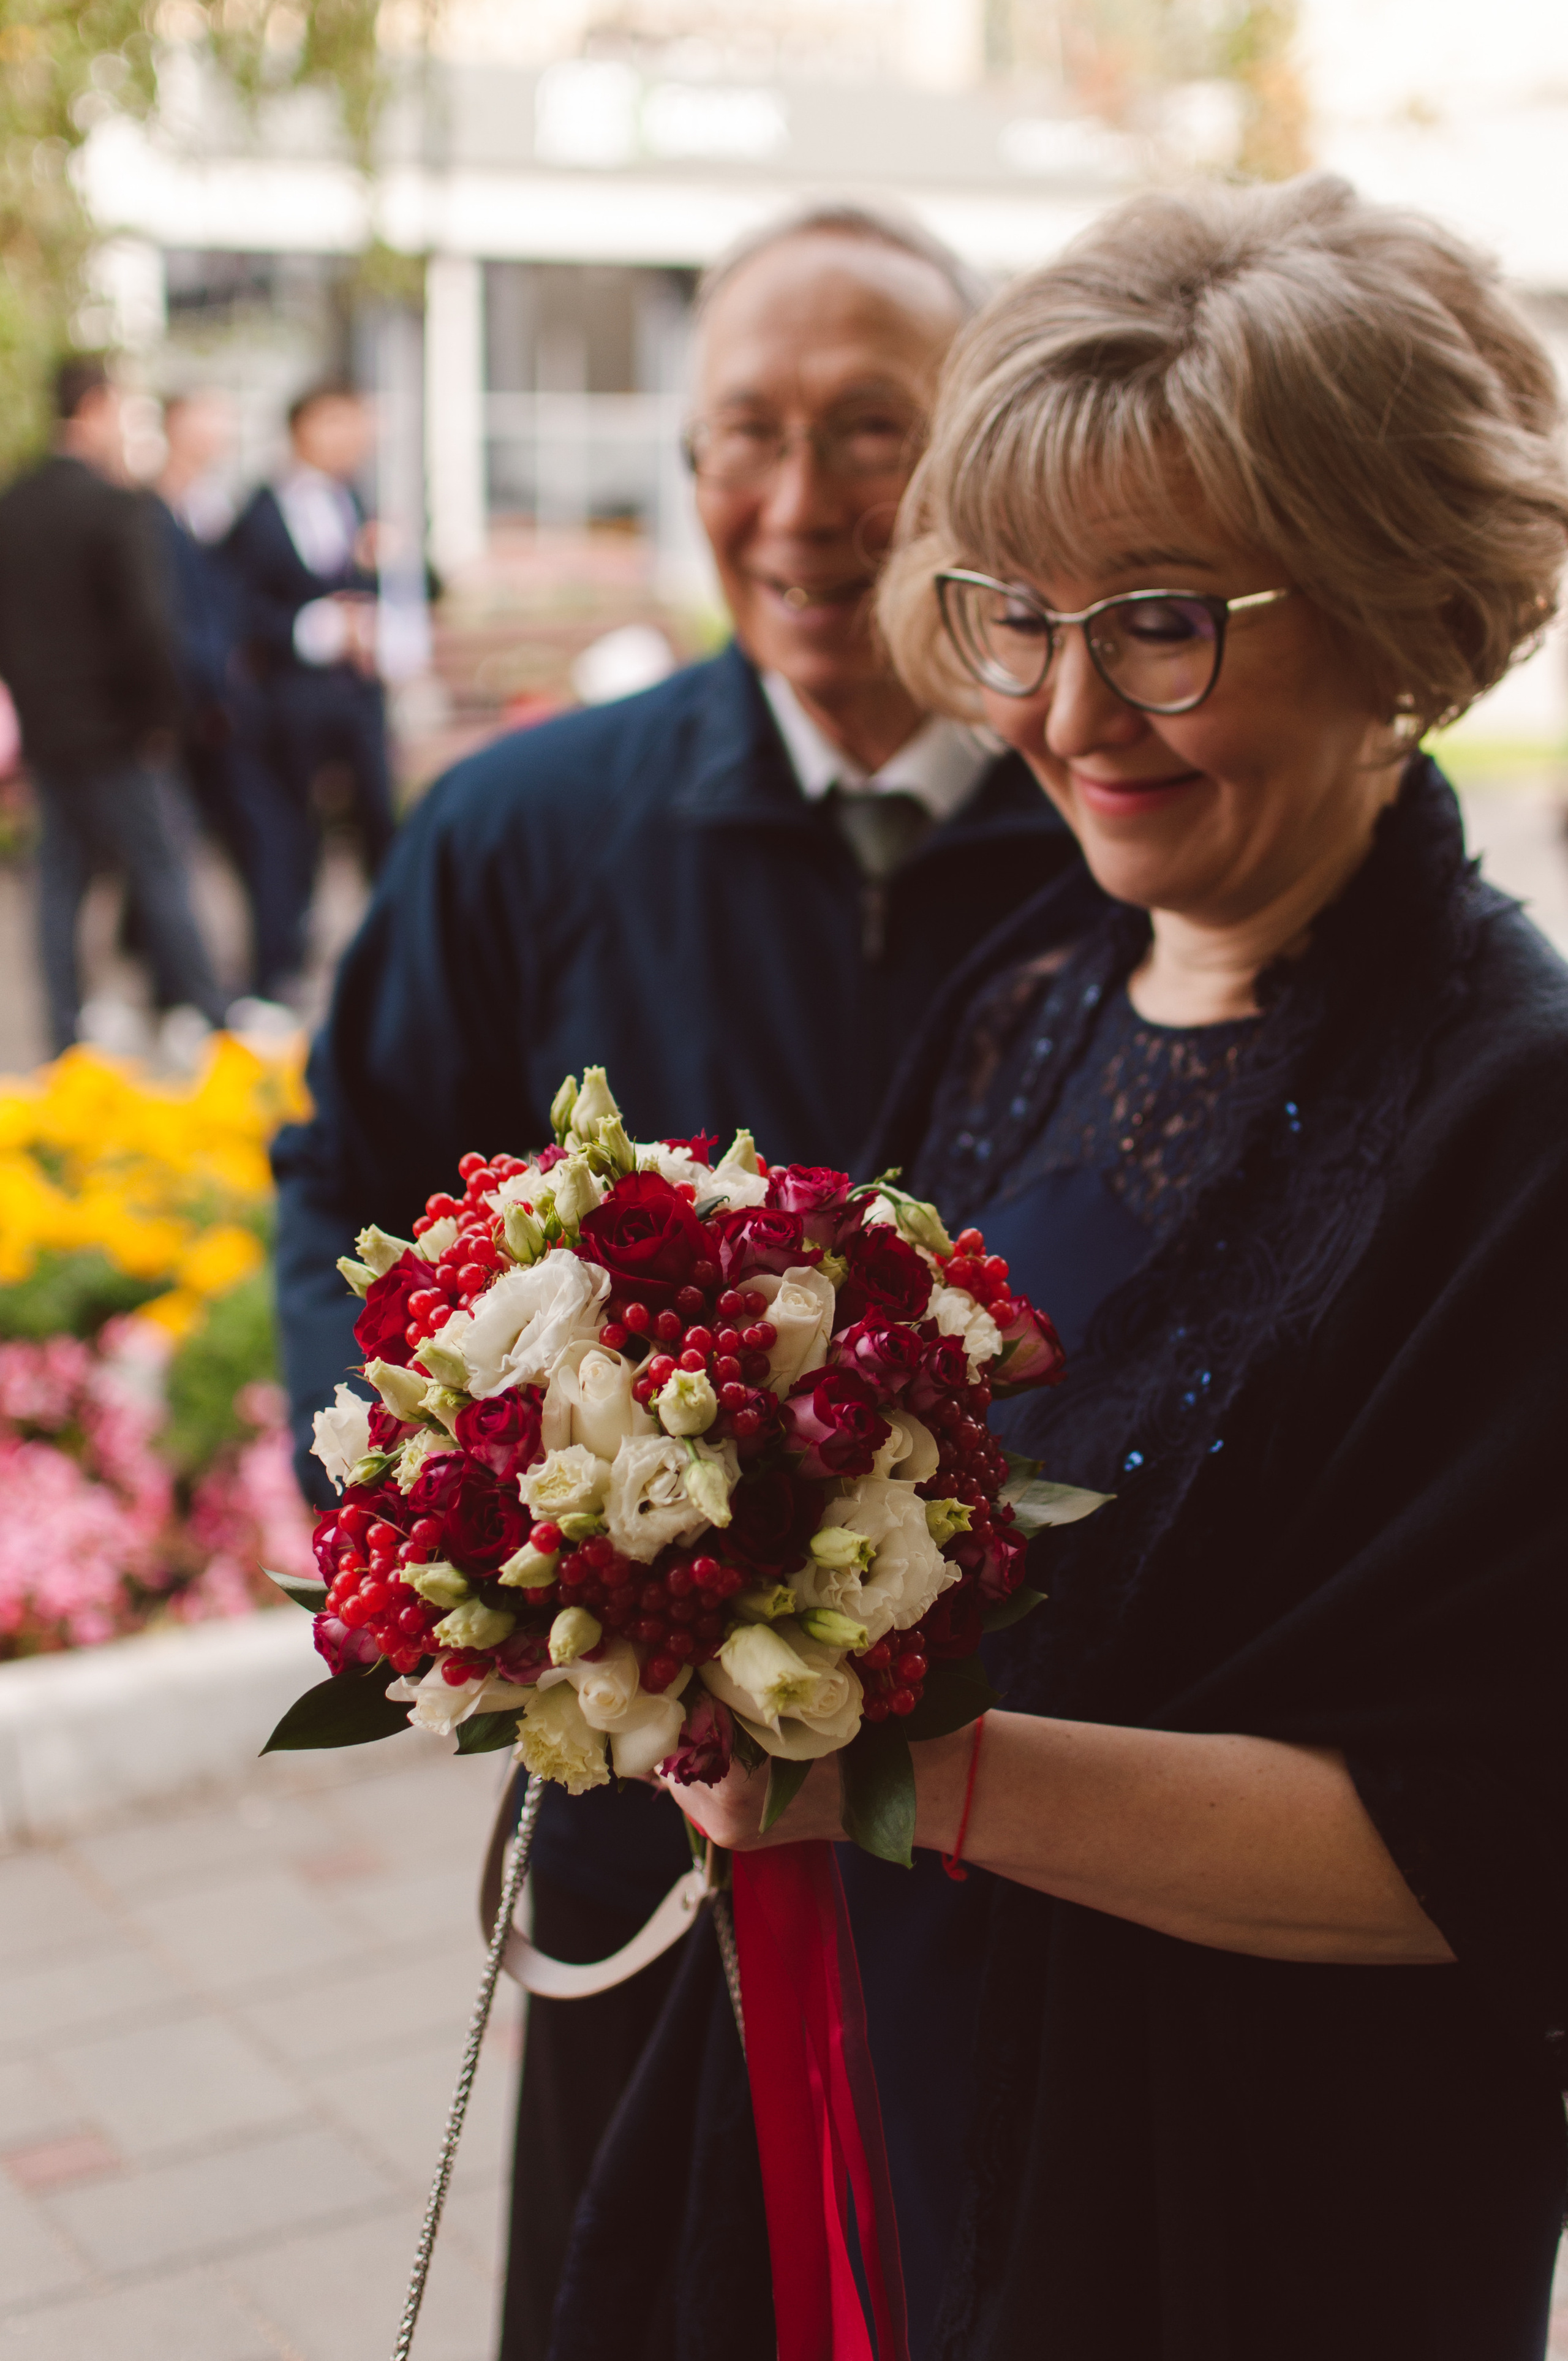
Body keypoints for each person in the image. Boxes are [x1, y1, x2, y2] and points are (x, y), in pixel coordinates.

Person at [560, 176, 1568, 2361]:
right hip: (921, 2084)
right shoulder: (1034, 993)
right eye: (1014, 610)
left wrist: (887, 1765)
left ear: (1399, 612)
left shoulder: (1514, 1117)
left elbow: (1491, 1840)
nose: (1064, 707)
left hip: (1247, 2212)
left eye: (1165, 617)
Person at [269, 204, 1079, 2359]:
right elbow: (335, 1176)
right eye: (744, 433)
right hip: (643, 1821)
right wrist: (410, 1545)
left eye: (871, 431)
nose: (799, 506)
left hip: (1051, 1836)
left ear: (980, 452)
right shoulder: (529, 826)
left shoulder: (1114, 830)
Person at [0, 356, 228, 1056]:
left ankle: (61, 1034)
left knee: (60, 883)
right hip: (121, 731)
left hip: (49, 729)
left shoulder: (14, 502)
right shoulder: (115, 505)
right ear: (96, 407)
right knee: (163, 872)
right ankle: (213, 1023)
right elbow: (148, 628)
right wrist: (161, 720)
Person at [223, 382, 395, 989]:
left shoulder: (360, 500)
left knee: (381, 820)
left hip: (358, 695)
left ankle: (397, 952)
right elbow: (240, 609)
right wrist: (322, 628)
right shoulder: (258, 511)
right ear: (304, 427)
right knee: (290, 835)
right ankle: (280, 964)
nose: (354, 438)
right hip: (290, 699)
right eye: (340, 422)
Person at [153, 391, 300, 1004]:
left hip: (227, 704)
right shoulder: (152, 509)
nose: (218, 433)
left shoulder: (220, 508)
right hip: (183, 707)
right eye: (207, 420)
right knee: (164, 850)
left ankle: (260, 973)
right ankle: (182, 985)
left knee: (247, 837)